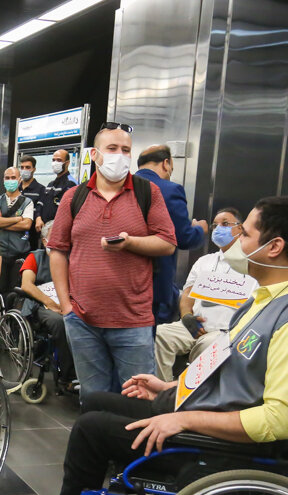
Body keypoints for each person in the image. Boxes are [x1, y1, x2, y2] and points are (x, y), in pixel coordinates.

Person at [3, 196, 288, 495]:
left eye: (246, 235)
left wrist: (183, 419)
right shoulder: (264, 300)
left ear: (274, 247)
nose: (236, 242)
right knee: (96, 401)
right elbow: (231, 369)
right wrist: (174, 387)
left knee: (92, 429)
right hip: (205, 414)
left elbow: (278, 420)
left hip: (223, 449)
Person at [47, 123, 177, 400]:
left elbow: (167, 242)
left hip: (133, 321)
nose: (120, 155)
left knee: (137, 399)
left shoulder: (147, 193)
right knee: (93, 398)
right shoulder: (74, 197)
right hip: (82, 321)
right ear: (95, 155)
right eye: (112, 148)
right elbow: (57, 250)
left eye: (126, 150)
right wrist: (67, 306)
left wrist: (130, 243)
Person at [154, 208, 258, 381]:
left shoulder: (252, 265)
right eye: (215, 225)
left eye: (225, 224)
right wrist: (187, 317)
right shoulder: (204, 261)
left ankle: (193, 394)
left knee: (209, 346)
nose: (218, 229)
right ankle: (162, 390)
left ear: (240, 229)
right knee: (159, 334)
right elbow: (188, 293)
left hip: (224, 332)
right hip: (193, 326)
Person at [135, 145, 209, 323]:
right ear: (166, 163)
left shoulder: (121, 187)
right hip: (153, 286)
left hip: (119, 285)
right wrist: (200, 229)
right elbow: (183, 238)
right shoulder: (169, 190)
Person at [19, 222, 75, 390]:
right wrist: (51, 303)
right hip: (41, 304)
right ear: (44, 241)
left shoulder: (72, 258)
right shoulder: (35, 257)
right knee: (60, 322)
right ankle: (68, 376)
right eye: (54, 237)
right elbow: (26, 285)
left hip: (68, 302)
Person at [0, 166, 34, 295]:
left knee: (15, 290)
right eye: (7, 178)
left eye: (13, 177)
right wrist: (18, 219)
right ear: (3, 180)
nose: (10, 180)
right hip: (0, 252)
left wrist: (2, 222)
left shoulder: (27, 202)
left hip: (19, 252)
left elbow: (26, 225)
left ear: (20, 179)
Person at [35, 149, 76, 237]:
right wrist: (38, 218)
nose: (55, 163)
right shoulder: (50, 184)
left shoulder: (71, 184)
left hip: (58, 233)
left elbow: (69, 212)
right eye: (53, 160)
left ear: (67, 163)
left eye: (59, 160)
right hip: (44, 231)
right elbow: (40, 203)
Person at [18, 156, 45, 249]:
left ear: (34, 169)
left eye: (28, 167)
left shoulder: (41, 189)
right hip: (13, 234)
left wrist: (38, 217)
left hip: (31, 236)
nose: (24, 170)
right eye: (22, 167)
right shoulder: (15, 188)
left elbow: (39, 208)